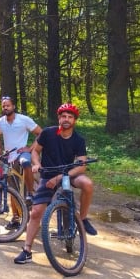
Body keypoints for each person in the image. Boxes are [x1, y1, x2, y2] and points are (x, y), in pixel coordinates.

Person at [14, 102, 97, 265]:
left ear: (74, 120)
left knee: (87, 184)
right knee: (36, 212)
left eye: (70, 117)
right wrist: (36, 163)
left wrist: (61, 177)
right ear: (59, 118)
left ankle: (83, 219)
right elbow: (35, 151)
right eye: (64, 116)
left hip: (68, 174)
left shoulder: (78, 139)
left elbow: (82, 165)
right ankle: (27, 250)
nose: (66, 119)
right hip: (48, 174)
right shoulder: (48, 133)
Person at [0, 95, 42, 199]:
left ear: (13, 106)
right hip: (9, 155)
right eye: (3, 106)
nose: (5, 108)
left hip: (22, 153)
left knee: (26, 162)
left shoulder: (24, 120)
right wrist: (1, 153)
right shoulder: (0, 122)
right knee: (11, 184)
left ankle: (30, 194)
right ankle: (16, 213)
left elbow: (40, 133)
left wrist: (30, 149)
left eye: (8, 105)